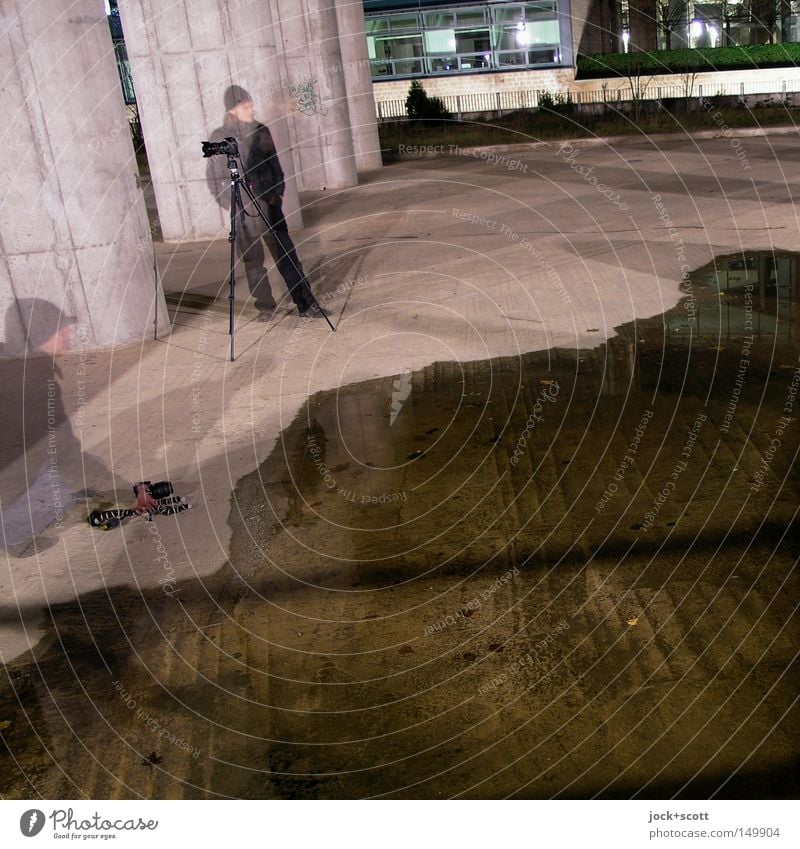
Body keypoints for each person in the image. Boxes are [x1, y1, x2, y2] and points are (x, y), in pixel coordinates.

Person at [0, 299, 108, 557]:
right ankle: (12, 534)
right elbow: (63, 452)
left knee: (76, 477)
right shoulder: (32, 382)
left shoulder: (16, 364)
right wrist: (130, 492)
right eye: (60, 330)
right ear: (39, 337)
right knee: (59, 490)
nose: (69, 334)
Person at [207, 85, 323, 321]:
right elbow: (214, 177)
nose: (251, 109)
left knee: (288, 257)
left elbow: (276, 167)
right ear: (233, 110)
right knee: (253, 263)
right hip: (243, 212)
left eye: (251, 105)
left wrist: (276, 195)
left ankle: (306, 303)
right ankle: (266, 308)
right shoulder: (220, 137)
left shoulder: (261, 131)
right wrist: (230, 202)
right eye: (245, 106)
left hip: (269, 208)